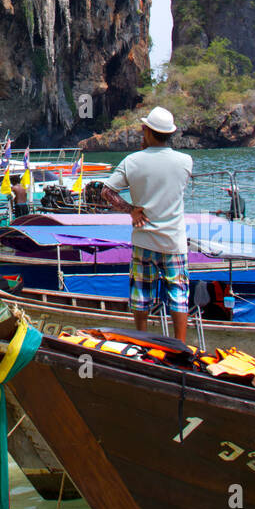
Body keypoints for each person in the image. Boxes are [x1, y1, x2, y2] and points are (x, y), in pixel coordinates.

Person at [101, 106, 193, 342]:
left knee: (141, 294)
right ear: (170, 134)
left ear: (147, 131)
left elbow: (107, 192)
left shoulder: (132, 161)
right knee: (178, 295)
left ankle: (141, 342)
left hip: (144, 239)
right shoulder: (185, 161)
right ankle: (180, 345)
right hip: (174, 241)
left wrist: (131, 210)